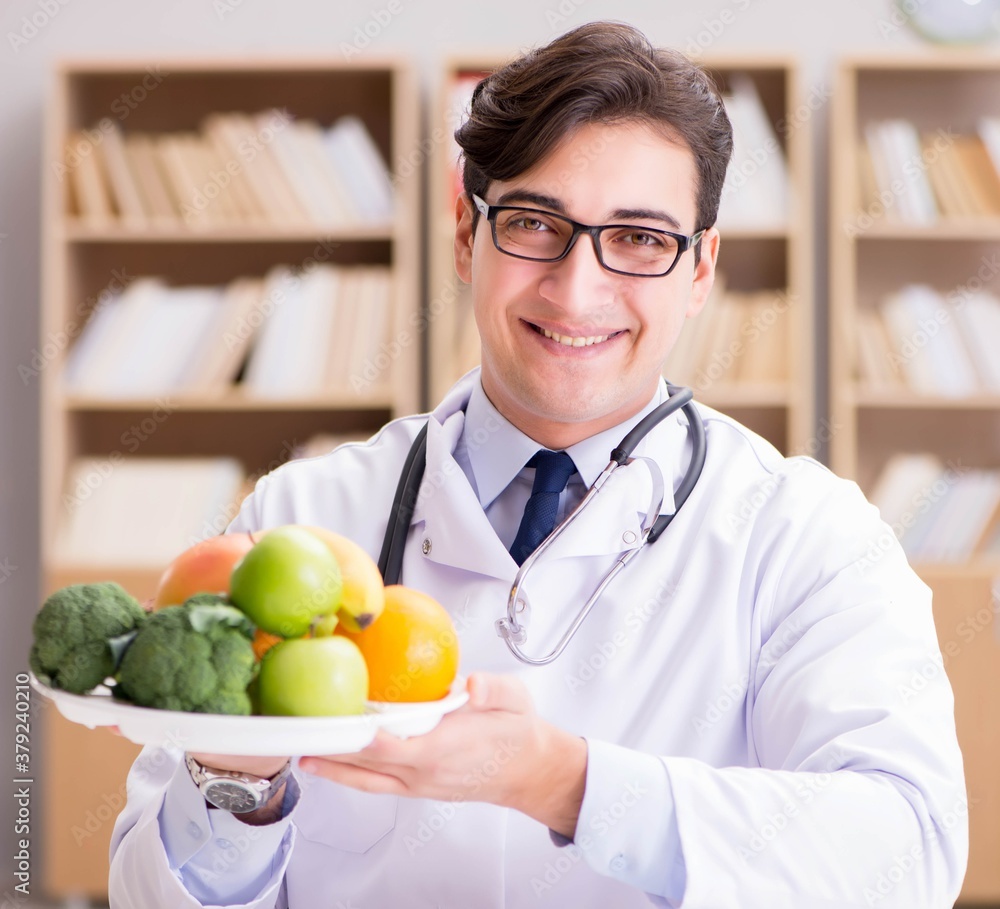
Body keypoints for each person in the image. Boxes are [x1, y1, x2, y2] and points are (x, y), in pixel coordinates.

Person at [109, 21, 968, 908]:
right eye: (532, 222)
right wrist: (239, 788)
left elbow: (906, 854)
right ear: (465, 235)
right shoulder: (297, 523)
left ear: (702, 269)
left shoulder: (808, 536)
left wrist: (567, 782)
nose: (576, 287)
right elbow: (148, 893)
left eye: (638, 239)